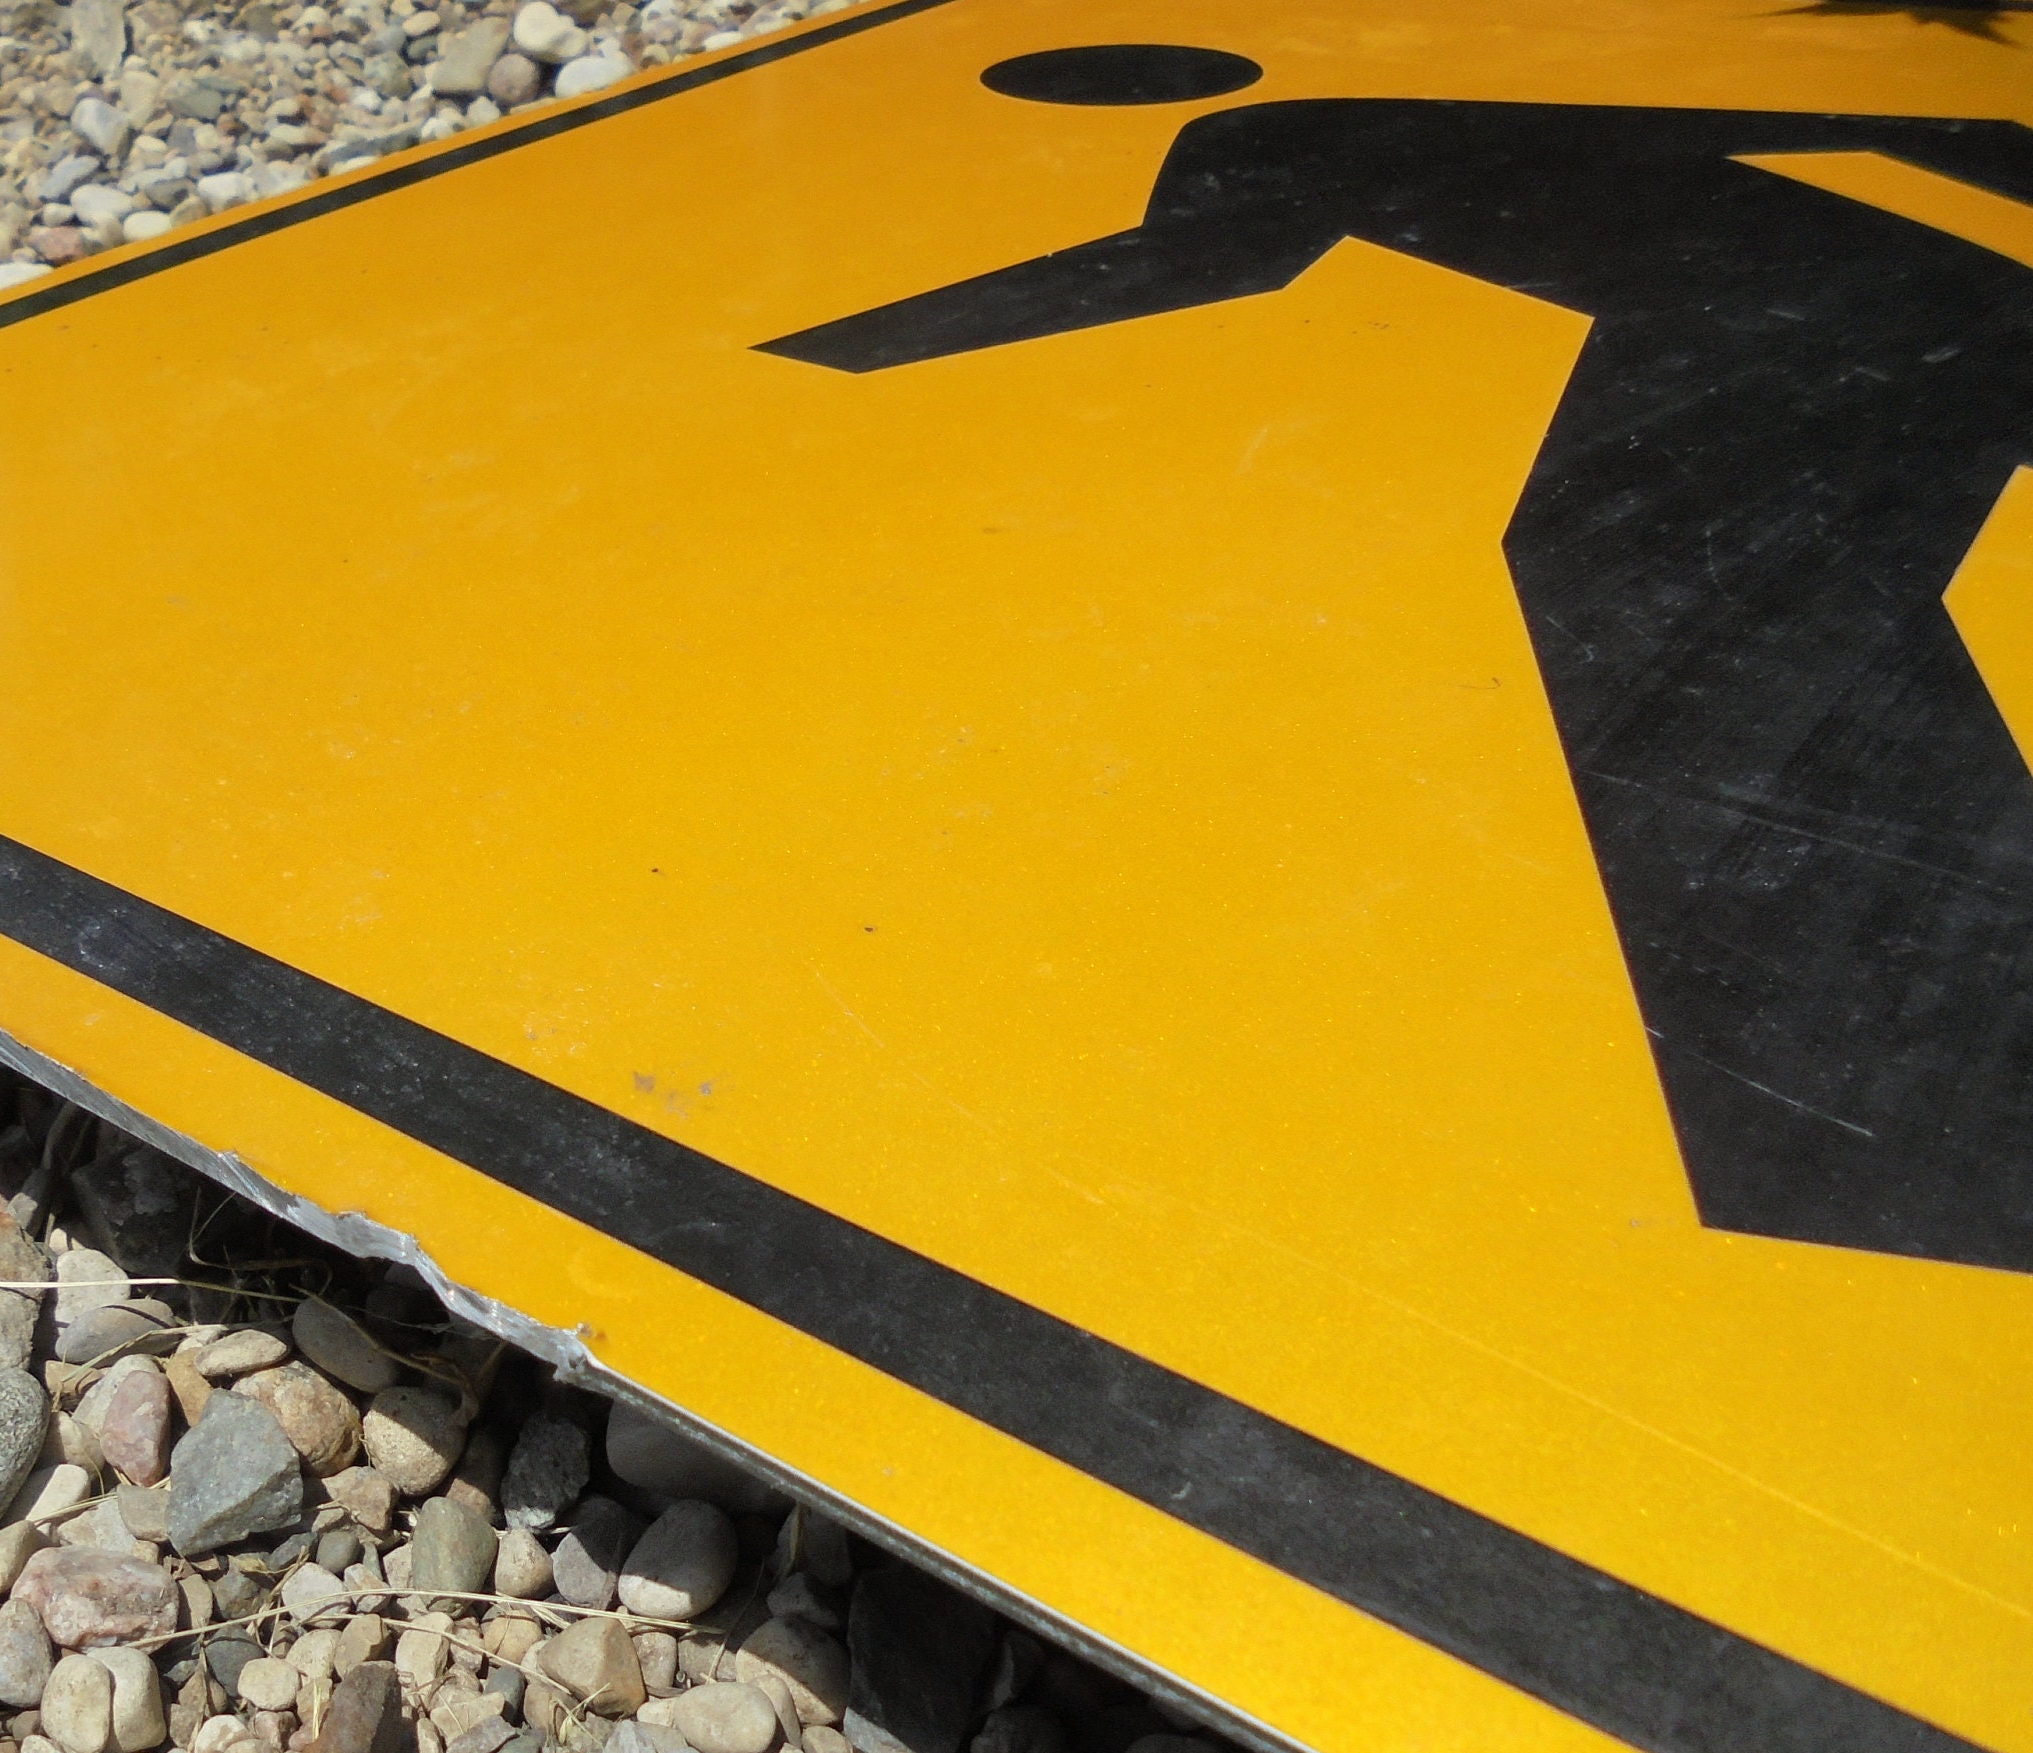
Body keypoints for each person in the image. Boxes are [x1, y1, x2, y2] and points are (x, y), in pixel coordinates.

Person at [769, 48, 2033, 1274]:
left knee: (1684, 597)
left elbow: (1192, 264)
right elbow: (1188, 270)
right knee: (1658, 583)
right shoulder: (1295, 135)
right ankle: (1901, 1154)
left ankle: (1914, 1152)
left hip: (1843, 323)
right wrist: (850, 355)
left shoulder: (1289, 139)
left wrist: (850, 354)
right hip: (1815, 315)